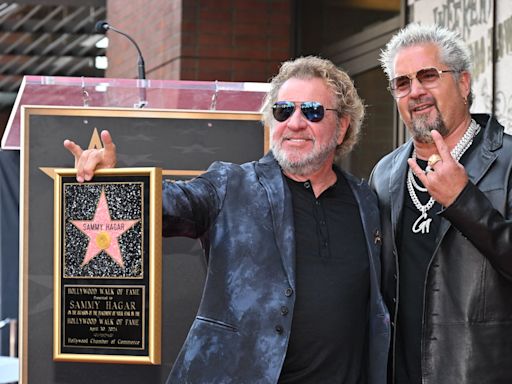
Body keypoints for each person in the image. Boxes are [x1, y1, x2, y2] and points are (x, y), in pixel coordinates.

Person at [64, 56, 390, 383]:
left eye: (313, 111)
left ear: (343, 125)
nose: (295, 122)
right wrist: (116, 182)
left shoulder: (366, 201)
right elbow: (170, 204)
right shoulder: (231, 184)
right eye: (283, 110)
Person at [370, 23, 512, 384]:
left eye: (428, 75)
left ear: (464, 84)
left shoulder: (509, 161)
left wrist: (464, 200)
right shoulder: (385, 174)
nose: (415, 91)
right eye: (402, 83)